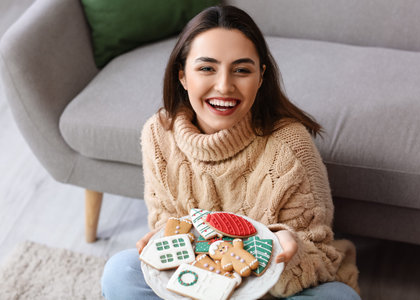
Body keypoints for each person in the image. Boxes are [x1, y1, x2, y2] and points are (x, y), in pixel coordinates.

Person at [102, 5, 360, 300]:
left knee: (339, 298)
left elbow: (322, 256)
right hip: (195, 286)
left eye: (241, 70)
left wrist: (291, 249)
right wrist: (167, 244)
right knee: (121, 271)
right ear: (183, 76)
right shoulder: (158, 134)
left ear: (260, 77)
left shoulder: (291, 145)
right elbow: (167, 225)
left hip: (270, 292)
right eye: (206, 68)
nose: (224, 86)